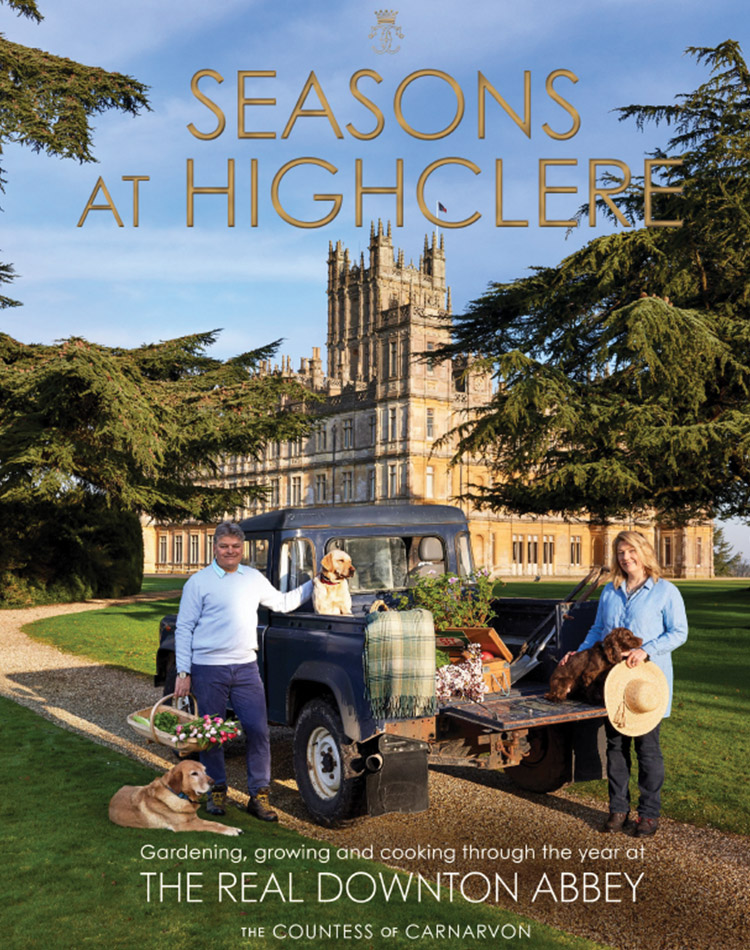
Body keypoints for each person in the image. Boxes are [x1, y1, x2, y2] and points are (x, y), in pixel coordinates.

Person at [174, 522, 313, 821]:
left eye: (236, 547)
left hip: (246, 667)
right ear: (215, 547)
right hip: (208, 668)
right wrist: (183, 672)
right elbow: (183, 628)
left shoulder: (253, 578)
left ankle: (258, 796)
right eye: (224, 546)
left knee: (258, 730)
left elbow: (282, 603)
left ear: (242, 548)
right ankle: (216, 791)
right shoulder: (198, 583)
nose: (230, 551)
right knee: (212, 734)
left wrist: (317, 582)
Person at [561, 531, 687, 837]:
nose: (626, 557)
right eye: (620, 553)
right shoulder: (611, 590)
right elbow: (598, 630)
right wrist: (578, 653)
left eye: (631, 551)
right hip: (613, 682)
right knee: (616, 747)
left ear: (643, 552)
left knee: (647, 750)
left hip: (645, 686)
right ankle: (618, 810)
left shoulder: (665, 591)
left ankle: (649, 815)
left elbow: (679, 632)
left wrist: (647, 650)